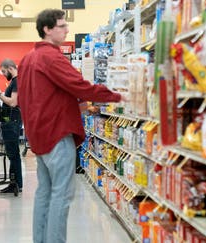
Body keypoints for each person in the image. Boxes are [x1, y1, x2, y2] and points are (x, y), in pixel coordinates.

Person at [18, 9, 127, 243]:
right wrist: (117, 95)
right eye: (62, 25)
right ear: (47, 29)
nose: (67, 29)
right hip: (57, 134)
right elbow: (80, 86)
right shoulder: (51, 57)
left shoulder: (27, 59)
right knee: (62, 195)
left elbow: (30, 99)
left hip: (39, 136)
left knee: (44, 193)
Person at [0, 59, 23, 193]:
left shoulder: (17, 81)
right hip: (11, 122)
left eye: (3, 71)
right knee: (12, 154)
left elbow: (13, 102)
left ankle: (17, 184)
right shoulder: (15, 82)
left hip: (12, 122)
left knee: (13, 154)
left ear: (10, 68)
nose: (3, 74)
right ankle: (13, 183)